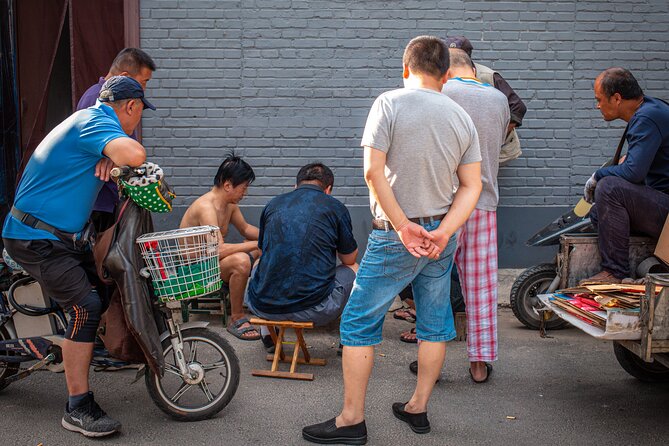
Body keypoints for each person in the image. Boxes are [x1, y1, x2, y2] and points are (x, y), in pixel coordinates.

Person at [302, 36, 482, 444]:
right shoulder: (461, 116)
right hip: (440, 236)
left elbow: (373, 172)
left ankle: (351, 420)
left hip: (396, 235)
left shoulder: (389, 103)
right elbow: (472, 186)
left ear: (406, 69)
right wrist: (444, 231)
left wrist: (402, 225)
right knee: (435, 322)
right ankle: (417, 408)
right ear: (447, 75)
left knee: (358, 322)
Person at [2, 76, 153, 437]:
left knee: (100, 288)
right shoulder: (96, 120)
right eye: (139, 114)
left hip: (58, 236)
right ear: (131, 107)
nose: (137, 124)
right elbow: (136, 155)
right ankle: (77, 407)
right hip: (34, 237)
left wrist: (107, 160)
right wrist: (116, 152)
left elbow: (116, 158)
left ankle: (73, 347)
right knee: (85, 306)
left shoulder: (93, 124)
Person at [408, 49, 509, 382]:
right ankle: (479, 365)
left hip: (441, 204)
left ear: (445, 71)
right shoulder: (498, 100)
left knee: (433, 283)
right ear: (474, 69)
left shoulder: (439, 92)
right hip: (483, 203)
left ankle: (429, 364)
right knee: (480, 287)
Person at [245, 163, 358, 348]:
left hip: (262, 304)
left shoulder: (273, 204)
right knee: (354, 268)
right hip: (314, 309)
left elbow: (264, 251)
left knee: (259, 260)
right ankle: (348, 338)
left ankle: (267, 333)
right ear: (328, 189)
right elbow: (348, 259)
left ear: (295, 186)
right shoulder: (336, 207)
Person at [581, 68, 669, 284]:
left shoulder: (647, 117)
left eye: (599, 100)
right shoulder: (651, 109)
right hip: (661, 205)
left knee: (609, 188)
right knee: (598, 214)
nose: (598, 105)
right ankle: (637, 261)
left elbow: (633, 172)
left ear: (617, 98)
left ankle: (614, 272)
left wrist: (598, 176)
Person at [180, 156, 262, 340]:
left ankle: (263, 304)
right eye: (244, 187)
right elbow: (218, 250)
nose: (245, 193)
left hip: (212, 264)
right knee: (241, 260)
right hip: (195, 269)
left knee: (261, 250)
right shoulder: (205, 207)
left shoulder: (229, 205)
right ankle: (237, 317)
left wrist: (271, 236)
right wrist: (259, 242)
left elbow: (245, 229)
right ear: (227, 185)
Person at [76, 48, 156, 232]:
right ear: (125, 76)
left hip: (111, 197)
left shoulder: (106, 98)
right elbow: (128, 155)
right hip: (100, 200)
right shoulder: (97, 100)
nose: (143, 90)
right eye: (144, 82)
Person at [445, 36, 527, 163]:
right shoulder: (441, 75)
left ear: (467, 57)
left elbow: (518, 108)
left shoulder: (488, 76)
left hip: (487, 151)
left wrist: (495, 137)